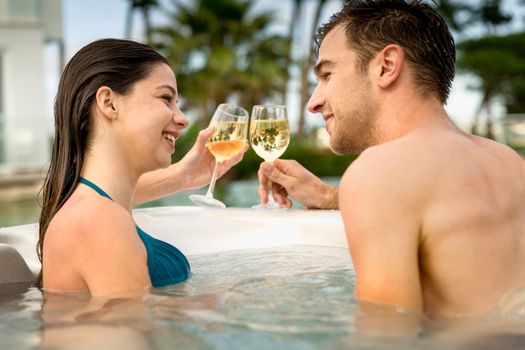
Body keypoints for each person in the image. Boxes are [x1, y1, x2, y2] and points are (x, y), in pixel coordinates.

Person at [258, 0, 525, 317]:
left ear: (385, 66)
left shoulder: (379, 171)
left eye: (327, 75)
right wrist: (331, 197)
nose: (313, 103)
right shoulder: (506, 161)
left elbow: (385, 339)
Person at [36, 38, 247, 296]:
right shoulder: (98, 219)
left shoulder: (83, 202)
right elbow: (135, 333)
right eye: (166, 98)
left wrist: (183, 176)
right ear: (109, 103)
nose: (182, 119)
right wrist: (213, 304)